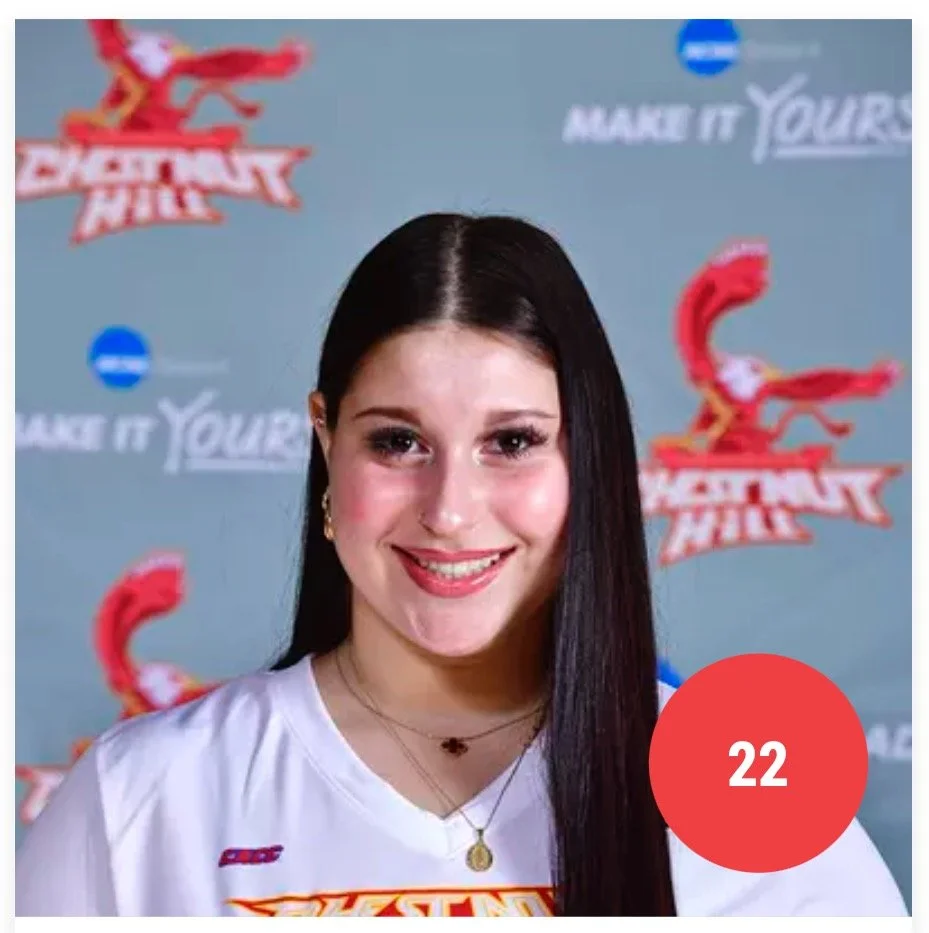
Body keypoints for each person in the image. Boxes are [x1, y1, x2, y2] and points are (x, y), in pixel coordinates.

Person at [16, 213, 907, 917]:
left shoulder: (752, 799)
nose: (448, 510)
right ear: (325, 440)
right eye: (398, 441)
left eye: (512, 441)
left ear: (588, 457)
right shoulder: (138, 799)